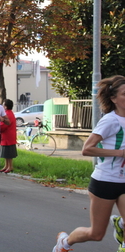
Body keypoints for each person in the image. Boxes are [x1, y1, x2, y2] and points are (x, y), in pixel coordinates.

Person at [52, 75, 125, 252]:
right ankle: (65, 242)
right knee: (96, 234)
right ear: (113, 99)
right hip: (105, 182)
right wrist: (120, 153)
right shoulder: (110, 120)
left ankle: (121, 225)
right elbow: (87, 149)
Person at [0, 99, 17, 173]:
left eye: (3, 104)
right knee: (6, 153)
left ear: (5, 106)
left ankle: (10, 166)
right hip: (8, 136)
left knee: (8, 153)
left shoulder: (7, 114)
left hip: (7, 136)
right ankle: (6, 166)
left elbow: (3, 125)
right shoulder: (9, 113)